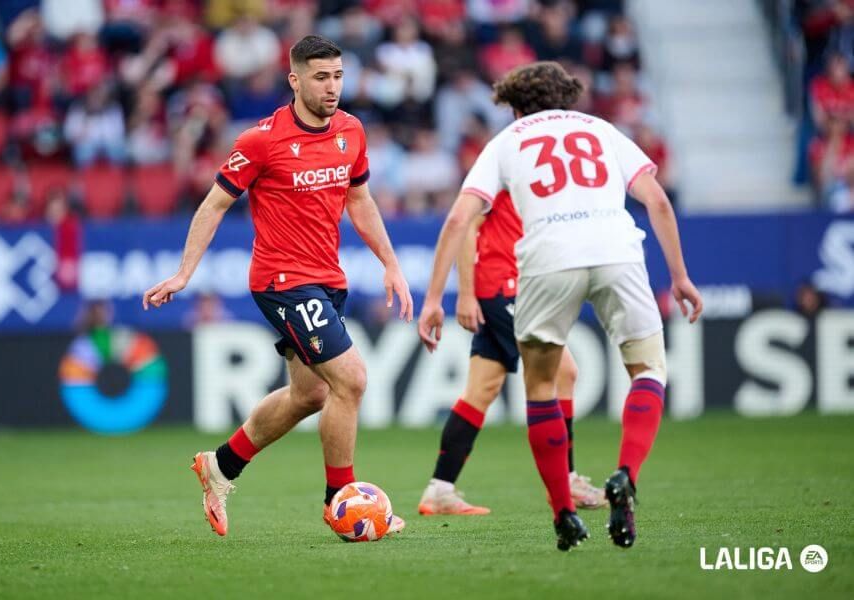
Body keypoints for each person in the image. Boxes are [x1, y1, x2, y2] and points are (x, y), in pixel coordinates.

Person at [417, 61, 702, 551]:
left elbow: (458, 220)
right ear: (569, 96)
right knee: (630, 370)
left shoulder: (506, 145)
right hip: (571, 261)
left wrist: (434, 298)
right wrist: (679, 275)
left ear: (513, 105)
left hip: (542, 265)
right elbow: (656, 199)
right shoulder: (602, 130)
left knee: (503, 385)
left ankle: (459, 490)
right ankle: (600, 475)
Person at [143, 35, 414, 538]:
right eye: (320, 77)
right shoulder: (261, 141)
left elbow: (360, 200)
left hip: (328, 279)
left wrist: (391, 263)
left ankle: (221, 465)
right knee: (351, 379)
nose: (331, 87)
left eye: (337, 76)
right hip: (282, 281)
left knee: (309, 395)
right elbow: (215, 204)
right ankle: (342, 502)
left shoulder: (351, 131)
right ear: (295, 80)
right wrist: (184, 273)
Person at [417, 190, 605, 516]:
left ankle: (440, 490)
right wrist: (466, 294)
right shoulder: (501, 170)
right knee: (564, 372)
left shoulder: (533, 172)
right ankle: (567, 481)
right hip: (502, 287)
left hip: (515, 285)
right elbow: (465, 226)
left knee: (482, 388)